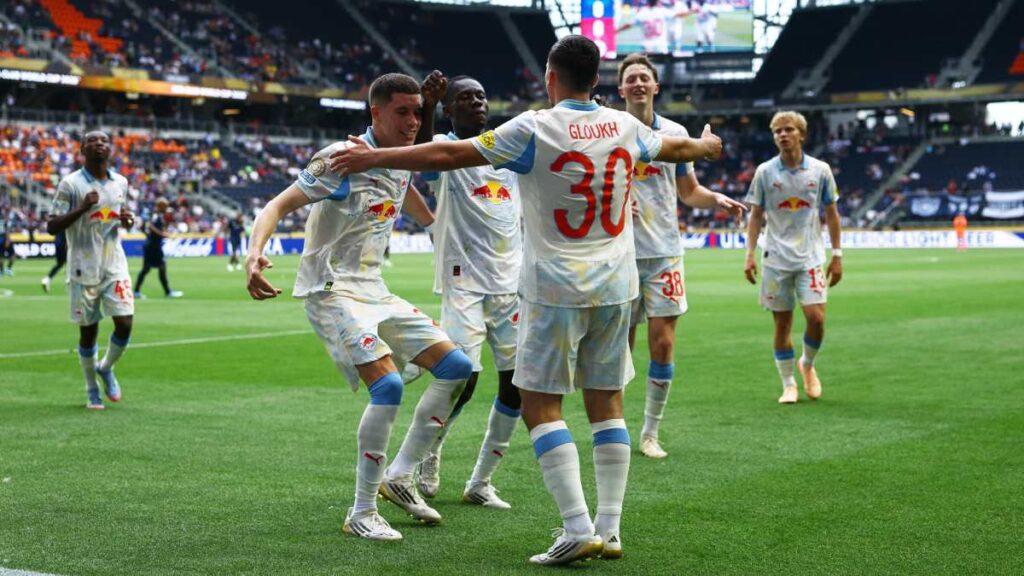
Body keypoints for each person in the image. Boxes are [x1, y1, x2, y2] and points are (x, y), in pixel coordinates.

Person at [328, 35, 722, 566]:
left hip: (556, 286)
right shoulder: (627, 126)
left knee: (539, 404)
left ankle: (577, 527)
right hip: (617, 286)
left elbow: (448, 153)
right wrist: (705, 147)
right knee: (606, 404)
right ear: (598, 80)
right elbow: (671, 149)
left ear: (550, 78)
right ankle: (610, 529)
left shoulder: (536, 126)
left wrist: (374, 155)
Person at [245, 73, 474, 542]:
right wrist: (254, 255)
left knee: (458, 367)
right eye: (402, 112)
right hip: (330, 290)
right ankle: (362, 511)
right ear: (376, 113)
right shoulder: (340, 159)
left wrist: (432, 225)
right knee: (387, 387)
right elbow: (275, 206)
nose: (413, 122)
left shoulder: (397, 159)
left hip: (373, 288)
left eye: (417, 112)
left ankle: (400, 475)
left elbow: (402, 184)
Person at [618, 53, 746, 459]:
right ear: (621, 89)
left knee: (663, 343)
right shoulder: (610, 130)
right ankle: (615, 427)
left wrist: (717, 199)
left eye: (644, 78)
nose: (638, 84)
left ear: (656, 87)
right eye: (630, 79)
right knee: (619, 347)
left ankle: (650, 432)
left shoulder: (675, 132)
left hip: (664, 253)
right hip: (618, 254)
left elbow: (689, 191)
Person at [412, 71, 523, 509]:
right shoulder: (448, 156)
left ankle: (481, 481)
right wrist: (425, 108)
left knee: (517, 386)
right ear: (449, 109)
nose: (477, 102)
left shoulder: (511, 155)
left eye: (481, 96)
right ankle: (432, 448)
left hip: (510, 287)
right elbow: (421, 158)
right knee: (464, 378)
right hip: (465, 285)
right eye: (465, 98)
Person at [743, 111, 843, 405]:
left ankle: (808, 365)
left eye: (788, 130)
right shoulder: (765, 172)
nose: (782, 135)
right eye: (777, 131)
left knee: (817, 318)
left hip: (810, 257)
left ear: (801, 134)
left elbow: (832, 214)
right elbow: (756, 214)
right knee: (782, 325)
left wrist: (837, 255)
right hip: (775, 259)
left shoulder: (820, 170)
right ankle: (788, 384)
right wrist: (749, 254)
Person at [46, 130, 136, 410]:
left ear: (110, 149)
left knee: (125, 321)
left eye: (105, 141)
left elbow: (115, 218)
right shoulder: (70, 184)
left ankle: (106, 367)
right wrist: (83, 207)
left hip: (114, 263)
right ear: (82, 148)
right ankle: (91, 389)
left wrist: (126, 221)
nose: (100, 143)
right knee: (89, 332)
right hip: (82, 268)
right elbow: (52, 226)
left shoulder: (120, 182)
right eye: (93, 140)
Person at [134, 198, 183, 299]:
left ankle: (137, 291)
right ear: (161, 206)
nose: (166, 207)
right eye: (165, 206)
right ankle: (167, 292)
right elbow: (150, 226)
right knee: (158, 267)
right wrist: (162, 234)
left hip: (152, 245)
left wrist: (164, 228)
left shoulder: (158, 215)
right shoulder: (156, 215)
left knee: (147, 269)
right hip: (153, 246)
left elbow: (149, 227)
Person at [41, 229, 67, 293]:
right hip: (64, 245)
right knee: (70, 264)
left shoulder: (59, 221)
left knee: (59, 264)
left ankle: (47, 279)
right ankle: (70, 282)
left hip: (57, 244)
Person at [0, 205, 17, 276]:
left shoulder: (3, 219)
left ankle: (2, 271)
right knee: (12, 255)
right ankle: (8, 269)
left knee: (1, 256)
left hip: (2, 238)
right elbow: (6, 230)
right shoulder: (4, 220)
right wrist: (7, 239)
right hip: (4, 238)